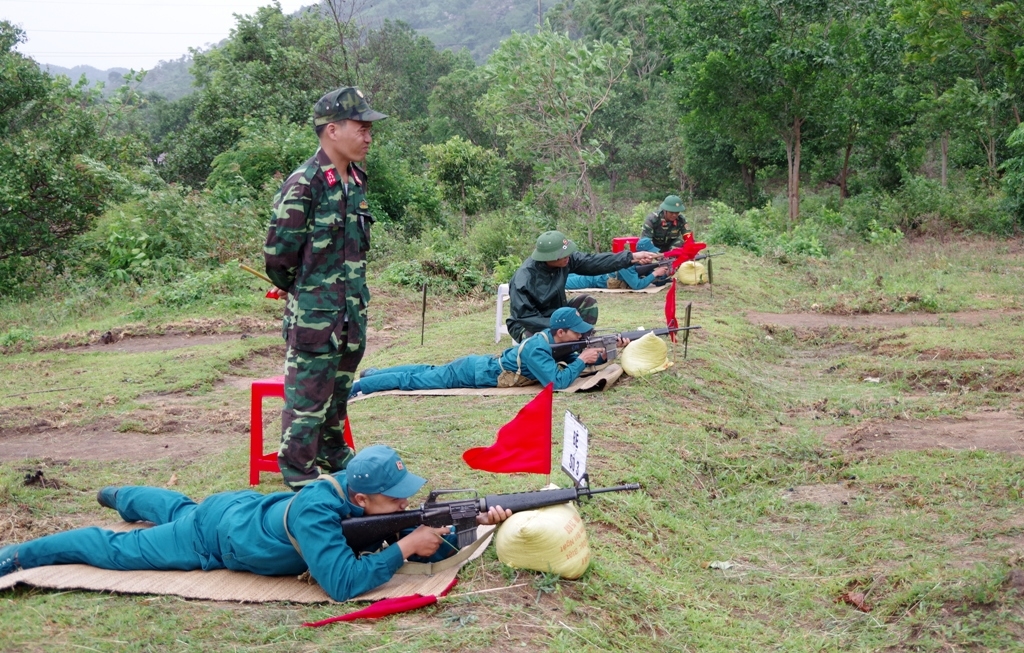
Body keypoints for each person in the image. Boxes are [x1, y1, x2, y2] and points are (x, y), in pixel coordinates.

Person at [0, 446, 512, 602]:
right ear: (359, 496)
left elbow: (430, 546)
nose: (406, 504)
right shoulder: (319, 511)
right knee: (115, 550)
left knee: (180, 506)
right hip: (213, 538)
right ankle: (20, 554)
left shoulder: (363, 498)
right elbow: (341, 585)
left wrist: (469, 526)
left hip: (239, 509)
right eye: (395, 498)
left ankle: (120, 493)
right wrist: (403, 550)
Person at [264, 86, 386, 490]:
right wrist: (308, 294)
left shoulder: (356, 179)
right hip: (316, 320)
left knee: (337, 401)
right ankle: (301, 485)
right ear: (332, 130)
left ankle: (337, 466)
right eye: (361, 127)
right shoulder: (305, 184)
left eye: (370, 129)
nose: (368, 136)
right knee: (306, 409)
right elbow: (279, 260)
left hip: (351, 316)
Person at [350, 307, 625, 397]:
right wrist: (582, 361)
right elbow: (558, 383)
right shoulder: (537, 348)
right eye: (577, 332)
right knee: (413, 380)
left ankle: (374, 373)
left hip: (477, 366)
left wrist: (602, 352)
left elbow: (572, 357)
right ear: (561, 332)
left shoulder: (553, 341)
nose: (581, 336)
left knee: (424, 370)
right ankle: (362, 385)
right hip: (474, 373)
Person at [506, 231, 657, 343]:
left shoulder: (566, 261)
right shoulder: (524, 279)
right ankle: (566, 345)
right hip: (529, 324)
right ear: (549, 257)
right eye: (563, 255)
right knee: (537, 343)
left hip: (558, 312)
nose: (568, 257)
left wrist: (631, 257)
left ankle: (582, 342)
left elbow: (595, 262)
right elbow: (526, 317)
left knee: (587, 302)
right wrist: (562, 326)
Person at [566, 238, 671, 291]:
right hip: (592, 279)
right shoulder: (626, 264)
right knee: (562, 282)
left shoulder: (643, 264)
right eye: (650, 253)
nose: (653, 256)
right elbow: (637, 285)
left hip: (594, 276)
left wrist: (667, 273)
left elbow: (656, 282)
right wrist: (656, 273)